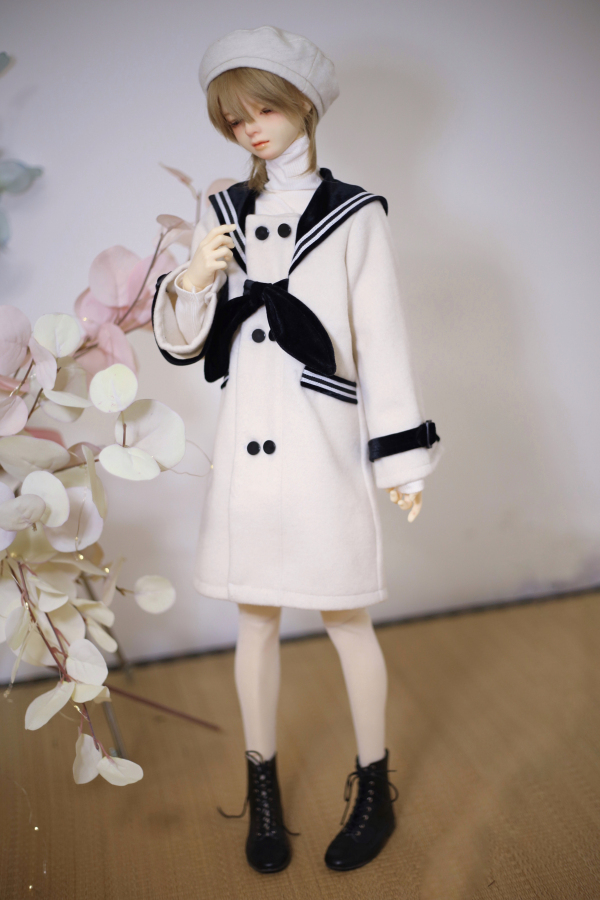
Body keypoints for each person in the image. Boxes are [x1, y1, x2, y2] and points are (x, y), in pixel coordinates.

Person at [151, 25, 441, 875]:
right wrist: (193, 279)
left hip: (321, 447)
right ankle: (264, 793)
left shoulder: (355, 215)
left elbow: (383, 342)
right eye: (233, 118)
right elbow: (183, 344)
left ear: (304, 105)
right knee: (255, 620)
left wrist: (400, 461)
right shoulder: (222, 217)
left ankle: (375, 787)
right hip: (247, 456)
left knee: (347, 616)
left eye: (263, 110)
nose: (250, 129)